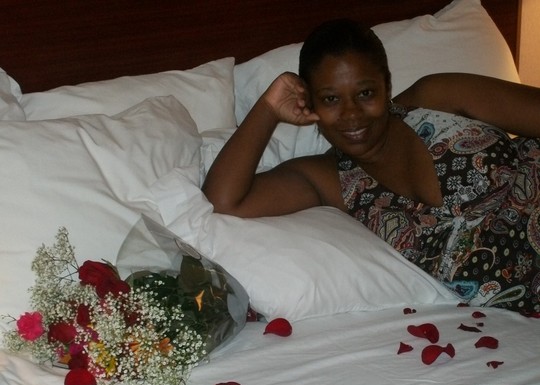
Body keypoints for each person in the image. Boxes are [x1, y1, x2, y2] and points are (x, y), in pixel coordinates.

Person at [202, 19, 540, 316]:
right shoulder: (329, 180)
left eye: (365, 93)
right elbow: (223, 201)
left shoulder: (439, 98)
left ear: (387, 86)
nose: (352, 114)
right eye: (331, 99)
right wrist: (268, 108)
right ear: (310, 102)